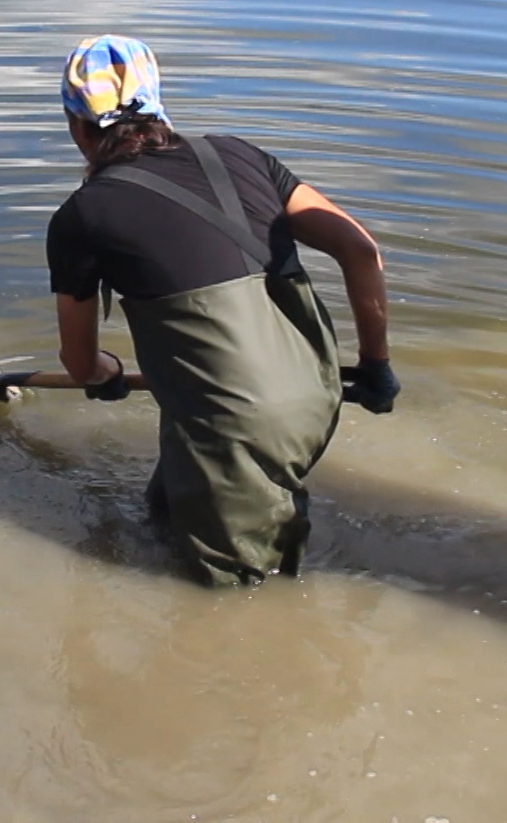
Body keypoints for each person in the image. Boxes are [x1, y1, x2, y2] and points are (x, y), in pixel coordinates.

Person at [44, 34, 399, 586]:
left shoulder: (83, 216)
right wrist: (375, 364)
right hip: (316, 391)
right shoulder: (239, 154)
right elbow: (361, 249)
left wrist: (105, 375)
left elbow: (78, 363)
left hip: (236, 420)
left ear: (76, 124)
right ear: (159, 104)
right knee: (161, 515)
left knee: (235, 598)